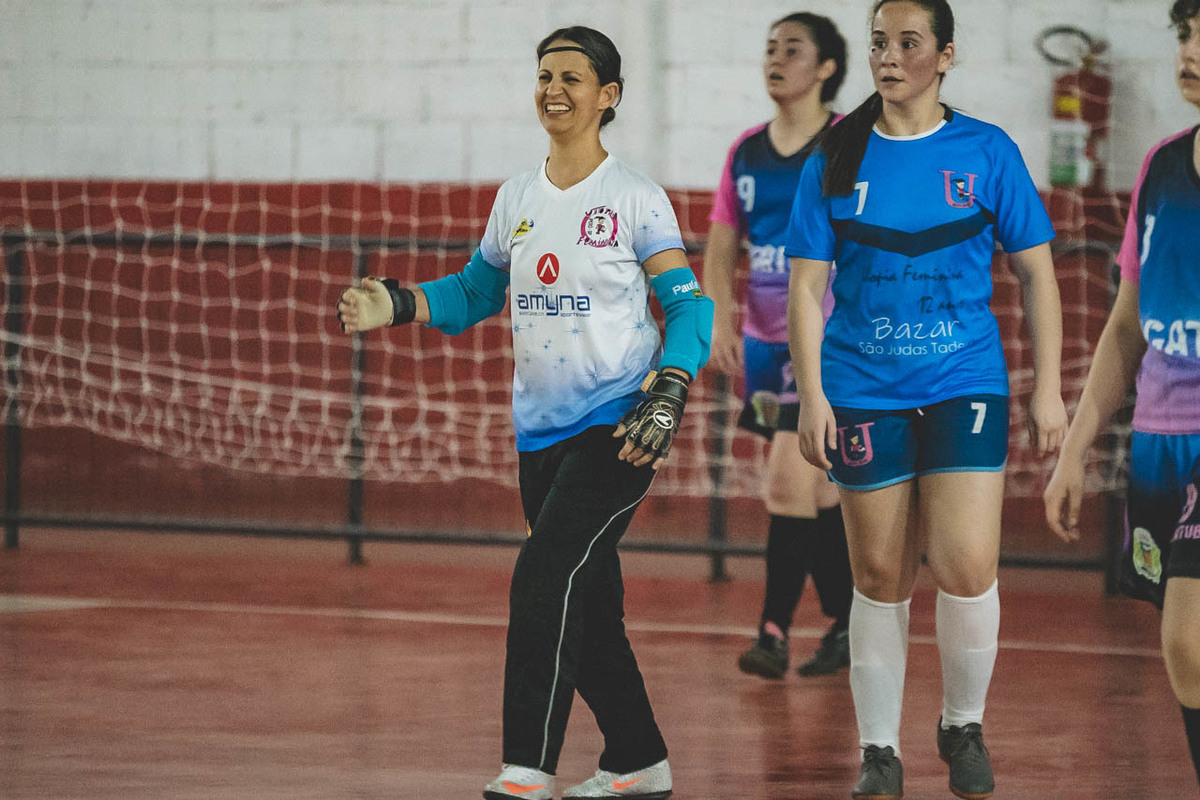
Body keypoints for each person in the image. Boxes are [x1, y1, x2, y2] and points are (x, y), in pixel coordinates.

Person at [336, 26, 712, 800]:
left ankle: (526, 769)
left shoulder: (635, 197)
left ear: (607, 96)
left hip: (621, 426)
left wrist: (670, 388)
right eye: (545, 76)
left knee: (542, 579)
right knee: (588, 602)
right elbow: (476, 291)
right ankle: (638, 760)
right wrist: (398, 304)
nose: (554, 90)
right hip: (538, 434)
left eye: (572, 78)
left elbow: (687, 306)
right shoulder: (516, 197)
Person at [784, 1, 1068, 798]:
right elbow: (805, 289)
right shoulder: (834, 155)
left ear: (945, 56)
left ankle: (962, 724)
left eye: (909, 43)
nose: (890, 56)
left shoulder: (986, 150)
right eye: (880, 42)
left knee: (966, 564)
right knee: (879, 573)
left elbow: (1038, 273)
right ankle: (879, 751)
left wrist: (1049, 389)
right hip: (861, 387)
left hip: (963, 381)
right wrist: (812, 397)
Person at [1044, 0, 1200, 787]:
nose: (1191, 50)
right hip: (1161, 440)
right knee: (1187, 653)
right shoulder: (1162, 167)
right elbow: (1125, 326)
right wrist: (1075, 449)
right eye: (1186, 33)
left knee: (1188, 640)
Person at [704, 11, 854, 680]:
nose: (776, 59)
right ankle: (848, 624)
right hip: (765, 342)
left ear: (825, 68)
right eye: (770, 47)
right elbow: (721, 245)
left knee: (787, 482)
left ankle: (772, 632)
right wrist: (717, 319)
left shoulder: (850, 144)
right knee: (818, 492)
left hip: (829, 342)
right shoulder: (746, 151)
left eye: (793, 49)